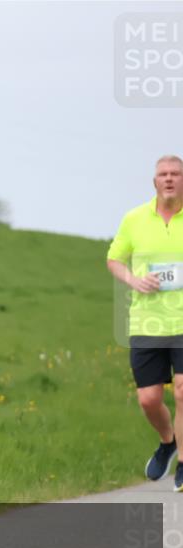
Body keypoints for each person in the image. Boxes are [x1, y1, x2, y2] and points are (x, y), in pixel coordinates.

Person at [107, 154, 183, 492]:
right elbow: (114, 259)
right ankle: (169, 442)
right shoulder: (134, 219)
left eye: (176, 174)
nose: (169, 179)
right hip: (147, 322)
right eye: (163, 174)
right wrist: (134, 281)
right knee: (149, 400)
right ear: (154, 182)